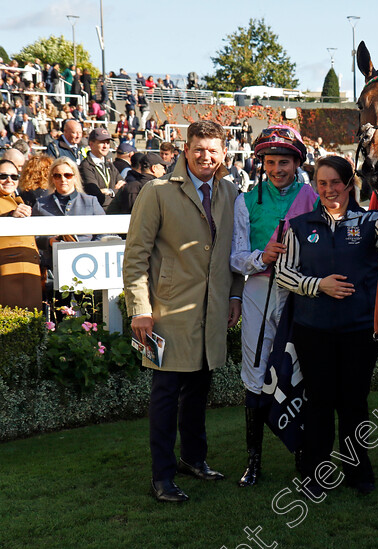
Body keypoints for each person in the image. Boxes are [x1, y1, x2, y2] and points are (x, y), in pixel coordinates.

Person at [123, 120, 243, 503]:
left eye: (213, 149)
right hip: (166, 315)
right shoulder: (157, 191)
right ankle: (162, 475)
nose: (206, 156)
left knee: (198, 390)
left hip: (211, 312)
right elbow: (135, 256)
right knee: (165, 395)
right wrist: (140, 309)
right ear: (185, 150)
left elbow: (233, 252)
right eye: (198, 149)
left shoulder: (230, 191)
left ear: (224, 152)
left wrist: (235, 297)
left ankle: (194, 459)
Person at [277, 155, 378, 497]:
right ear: (315, 185)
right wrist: (319, 285)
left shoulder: (369, 222)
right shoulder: (300, 226)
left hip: (358, 330)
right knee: (318, 402)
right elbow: (283, 273)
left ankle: (357, 470)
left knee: (354, 402)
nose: (329, 189)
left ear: (350, 184)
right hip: (313, 329)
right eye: (322, 183)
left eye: (336, 182)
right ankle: (314, 473)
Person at [230, 124, 318, 487]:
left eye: (284, 161)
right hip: (259, 292)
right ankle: (253, 462)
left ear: (296, 162)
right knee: (256, 370)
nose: (277, 168)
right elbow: (235, 257)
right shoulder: (245, 201)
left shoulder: (313, 196)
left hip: (301, 294)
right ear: (261, 163)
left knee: (300, 369)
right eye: (270, 161)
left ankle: (303, 455)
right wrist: (260, 256)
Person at [32, 157, 106, 276]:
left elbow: (105, 232)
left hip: (88, 266)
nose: (63, 179)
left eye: (68, 175)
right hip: (53, 267)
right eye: (57, 176)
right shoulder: (41, 204)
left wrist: (90, 249)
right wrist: (49, 241)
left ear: (75, 177)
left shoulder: (90, 201)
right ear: (52, 178)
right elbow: (33, 237)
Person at [0, 159, 41, 311]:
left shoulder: (17, 199)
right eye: (3, 176)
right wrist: (10, 215)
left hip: (29, 271)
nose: (9, 180)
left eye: (14, 176)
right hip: (9, 275)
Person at [79, 127, 125, 208]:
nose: (105, 146)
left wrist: (110, 192)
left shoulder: (109, 164)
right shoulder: (85, 166)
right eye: (102, 143)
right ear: (91, 144)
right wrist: (116, 193)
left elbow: (124, 188)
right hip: (97, 214)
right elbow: (97, 197)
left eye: (107, 143)